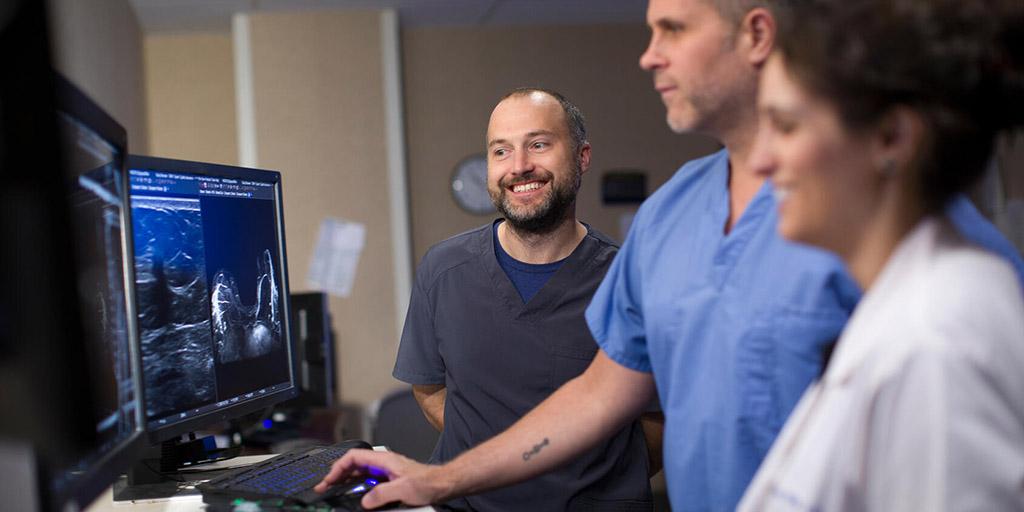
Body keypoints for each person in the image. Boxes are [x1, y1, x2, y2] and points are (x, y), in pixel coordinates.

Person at [317, 1, 1024, 510]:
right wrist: (442, 479)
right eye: (502, 148)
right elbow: (600, 394)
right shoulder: (672, 213)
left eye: (673, 28)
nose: (647, 53)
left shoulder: (944, 295)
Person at [738, 0, 1024, 509]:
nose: (761, 161)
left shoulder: (938, 338)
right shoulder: (904, 308)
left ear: (892, 137)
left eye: (785, 126)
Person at [391, 87, 656, 511]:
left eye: (538, 144)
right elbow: (429, 388)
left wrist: (584, 483)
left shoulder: (630, 280)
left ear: (582, 157)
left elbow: (655, 421)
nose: (519, 166)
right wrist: (496, 467)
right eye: (501, 151)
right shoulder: (444, 270)